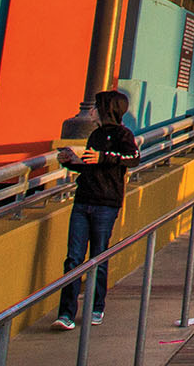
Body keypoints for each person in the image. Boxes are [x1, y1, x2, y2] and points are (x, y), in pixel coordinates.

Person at [52, 90, 139, 330]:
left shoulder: (124, 135)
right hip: (83, 200)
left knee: (98, 257)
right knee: (73, 259)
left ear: (106, 109)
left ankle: (96, 307)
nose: (91, 111)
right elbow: (93, 167)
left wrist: (104, 157)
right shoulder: (95, 135)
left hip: (105, 204)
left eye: (95, 107)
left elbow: (132, 157)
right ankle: (67, 314)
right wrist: (73, 162)